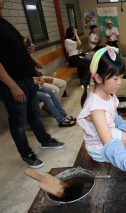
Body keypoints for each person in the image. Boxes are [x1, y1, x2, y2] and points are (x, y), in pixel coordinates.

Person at [0, 0, 64, 169]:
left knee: (34, 115)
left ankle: (45, 140)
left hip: (28, 79)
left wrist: (27, 50)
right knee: (18, 122)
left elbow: (12, 50)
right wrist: (12, 86)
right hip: (14, 83)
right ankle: (27, 154)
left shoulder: (4, 21)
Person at [77, 46, 126, 177]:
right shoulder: (96, 109)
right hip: (101, 148)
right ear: (99, 78)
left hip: (110, 134)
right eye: (115, 79)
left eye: (121, 77)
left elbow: (114, 117)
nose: (119, 83)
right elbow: (109, 145)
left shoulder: (108, 93)